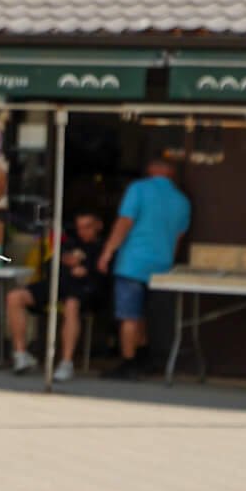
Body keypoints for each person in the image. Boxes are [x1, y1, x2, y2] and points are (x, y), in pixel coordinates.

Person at [98, 154, 192, 371]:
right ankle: (143, 356)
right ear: (172, 172)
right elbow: (178, 238)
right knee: (145, 313)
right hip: (162, 263)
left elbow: (125, 222)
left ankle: (128, 361)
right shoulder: (182, 201)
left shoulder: (138, 189)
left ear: (151, 168)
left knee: (129, 314)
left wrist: (108, 251)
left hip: (133, 260)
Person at [6, 209, 107, 380]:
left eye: (88, 227)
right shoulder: (69, 242)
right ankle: (21, 354)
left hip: (84, 290)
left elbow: (103, 277)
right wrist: (63, 260)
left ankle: (66, 362)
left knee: (71, 304)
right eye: (80, 227)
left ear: (98, 225)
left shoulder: (103, 247)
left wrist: (86, 270)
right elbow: (48, 266)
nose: (83, 231)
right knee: (15, 297)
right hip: (56, 285)